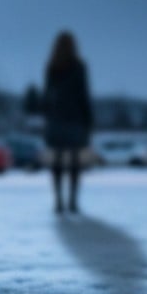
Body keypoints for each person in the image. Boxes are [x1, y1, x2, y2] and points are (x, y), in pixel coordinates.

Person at [43, 31, 93, 214]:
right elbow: (83, 96)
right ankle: (72, 202)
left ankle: (59, 202)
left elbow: (47, 96)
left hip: (56, 121)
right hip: (74, 120)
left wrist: (48, 119)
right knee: (74, 163)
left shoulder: (52, 67)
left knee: (57, 162)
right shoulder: (79, 67)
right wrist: (88, 121)